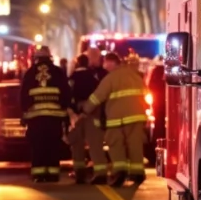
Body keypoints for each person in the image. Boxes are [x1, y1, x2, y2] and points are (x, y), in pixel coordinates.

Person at [80, 52, 147, 187]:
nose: (104, 66)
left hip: (118, 118)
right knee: (135, 144)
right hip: (138, 116)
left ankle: (119, 172)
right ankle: (138, 173)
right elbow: (145, 92)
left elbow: (98, 96)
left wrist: (85, 109)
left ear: (111, 63)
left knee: (115, 144)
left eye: (105, 63)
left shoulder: (111, 78)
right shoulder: (134, 75)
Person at [20, 46, 71, 182]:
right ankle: (53, 174)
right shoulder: (58, 72)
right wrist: (65, 113)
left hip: (35, 119)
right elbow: (66, 93)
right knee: (53, 146)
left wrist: (24, 115)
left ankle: (39, 174)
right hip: (54, 118)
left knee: (38, 146)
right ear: (49, 58)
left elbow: (23, 96)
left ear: (36, 58)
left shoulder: (30, 73)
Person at [68, 54, 105, 184]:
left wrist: (73, 114)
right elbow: (99, 95)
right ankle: (101, 173)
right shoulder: (93, 77)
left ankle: (79, 174)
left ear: (77, 63)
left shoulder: (71, 78)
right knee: (95, 144)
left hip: (76, 116)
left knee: (77, 145)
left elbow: (68, 97)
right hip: (93, 114)